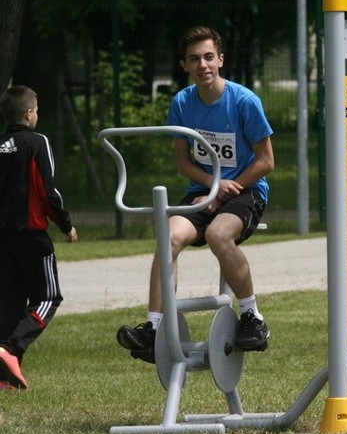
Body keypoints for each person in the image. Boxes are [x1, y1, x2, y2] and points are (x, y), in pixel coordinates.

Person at [116, 26, 274, 363]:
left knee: (219, 234)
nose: (202, 65)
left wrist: (230, 189)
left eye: (208, 57)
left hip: (246, 189)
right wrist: (212, 186)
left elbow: (266, 161)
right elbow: (182, 161)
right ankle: (154, 327)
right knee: (168, 236)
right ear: (184, 65)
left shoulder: (245, 101)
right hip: (205, 189)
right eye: (194, 59)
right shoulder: (182, 102)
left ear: (220, 60)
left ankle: (253, 317)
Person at [0, 85, 79, 390]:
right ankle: (11, 349)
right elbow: (48, 192)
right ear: (29, 113)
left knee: (11, 302)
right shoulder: (37, 142)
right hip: (32, 236)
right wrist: (66, 225)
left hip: (4, 238)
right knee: (48, 297)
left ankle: (4, 374)